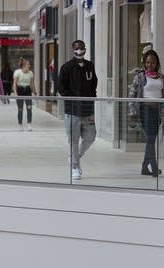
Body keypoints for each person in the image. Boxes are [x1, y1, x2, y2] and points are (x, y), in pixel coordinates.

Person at [129, 49, 164, 177]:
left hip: (157, 112)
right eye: (147, 62)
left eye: (152, 62)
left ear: (157, 64)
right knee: (150, 139)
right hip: (145, 110)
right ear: (144, 63)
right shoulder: (140, 76)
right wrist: (132, 112)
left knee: (151, 140)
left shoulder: (162, 77)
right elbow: (132, 95)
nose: (150, 64)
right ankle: (154, 168)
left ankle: (144, 167)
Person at [58, 39, 98, 180]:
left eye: (81, 48)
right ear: (73, 50)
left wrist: (92, 99)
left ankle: (76, 155)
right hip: (72, 111)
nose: (79, 51)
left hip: (88, 110)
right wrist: (72, 98)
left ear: (85, 49)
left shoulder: (89, 66)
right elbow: (61, 87)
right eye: (76, 48)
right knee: (73, 140)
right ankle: (75, 166)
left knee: (91, 136)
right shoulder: (66, 67)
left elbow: (94, 84)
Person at [13, 58, 36, 131]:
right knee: (20, 109)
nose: (29, 66)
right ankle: (20, 124)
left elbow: (32, 84)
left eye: (29, 65)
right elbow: (14, 84)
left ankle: (29, 124)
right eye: (28, 64)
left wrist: (35, 91)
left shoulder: (31, 73)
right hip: (20, 90)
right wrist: (15, 93)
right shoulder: (18, 72)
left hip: (27, 90)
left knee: (29, 108)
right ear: (23, 65)